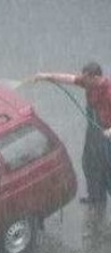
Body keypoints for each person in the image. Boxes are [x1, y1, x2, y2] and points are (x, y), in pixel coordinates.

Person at [33, 62, 111, 205]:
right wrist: (46, 76)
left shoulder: (108, 92)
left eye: (86, 78)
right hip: (95, 128)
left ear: (96, 77)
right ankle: (96, 197)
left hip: (107, 133)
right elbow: (69, 78)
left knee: (107, 169)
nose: (83, 80)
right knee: (89, 163)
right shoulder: (89, 83)